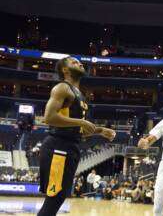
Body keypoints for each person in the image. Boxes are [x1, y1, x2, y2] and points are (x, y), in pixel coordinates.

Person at [37, 56, 116, 216]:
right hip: (58, 147)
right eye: (74, 62)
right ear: (65, 70)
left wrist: (100, 130)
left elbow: (77, 128)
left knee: (58, 198)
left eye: (79, 62)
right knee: (54, 198)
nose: (79, 63)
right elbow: (49, 117)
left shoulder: (79, 93)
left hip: (70, 147)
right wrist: (81, 122)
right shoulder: (62, 88)